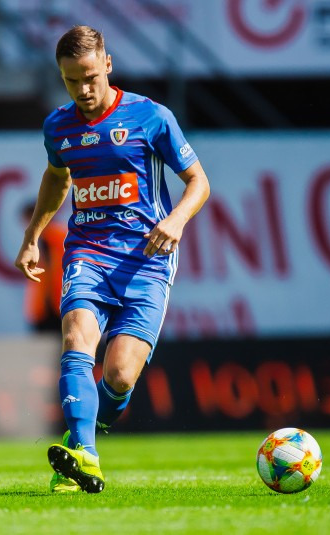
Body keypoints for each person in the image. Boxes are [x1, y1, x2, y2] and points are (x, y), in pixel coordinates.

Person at [14, 25, 210, 494]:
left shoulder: (151, 117)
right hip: (88, 251)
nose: (82, 90)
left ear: (107, 64)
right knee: (75, 338)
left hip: (147, 259)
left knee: (120, 376)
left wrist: (177, 220)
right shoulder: (58, 126)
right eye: (71, 81)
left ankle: (86, 434)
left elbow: (198, 182)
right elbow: (57, 177)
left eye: (89, 77)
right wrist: (32, 236)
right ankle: (86, 455)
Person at [21, 201, 66, 333]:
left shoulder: (48, 237)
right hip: (57, 304)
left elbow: (50, 271)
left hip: (52, 307)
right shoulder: (60, 234)